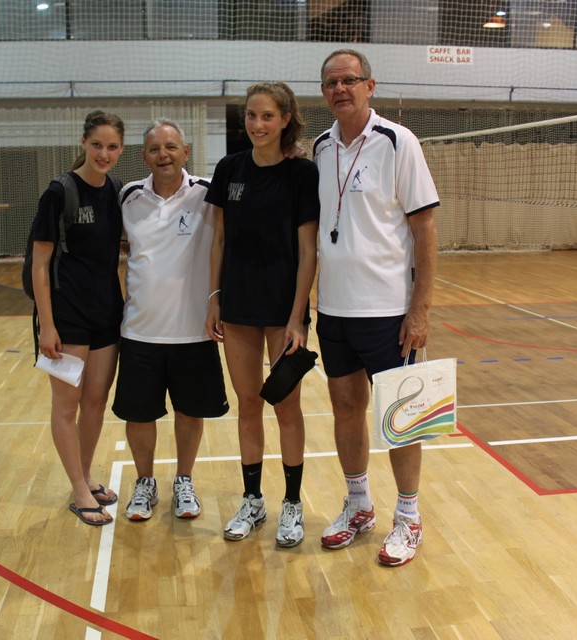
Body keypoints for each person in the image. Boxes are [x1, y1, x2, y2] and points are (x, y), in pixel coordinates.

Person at [312, 49, 440, 566]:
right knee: (346, 407)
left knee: (403, 418)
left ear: (370, 85)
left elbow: (424, 228)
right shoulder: (321, 147)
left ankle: (408, 516)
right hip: (334, 309)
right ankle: (359, 503)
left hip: (389, 310)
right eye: (331, 82)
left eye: (349, 80)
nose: (340, 89)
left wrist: (420, 309)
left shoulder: (398, 141)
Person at [205, 82, 319, 548]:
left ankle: (292, 503)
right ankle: (252, 500)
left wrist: (297, 317)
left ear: (286, 119)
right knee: (248, 402)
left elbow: (308, 251)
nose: (257, 124)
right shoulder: (228, 169)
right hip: (238, 305)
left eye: (267, 115)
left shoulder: (302, 174)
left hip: (283, 309)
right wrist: (215, 297)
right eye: (251, 115)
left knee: (285, 405)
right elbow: (219, 239)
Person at [112, 120, 230, 522]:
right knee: (139, 415)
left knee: (190, 411)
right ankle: (144, 482)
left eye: (171, 147)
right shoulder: (128, 197)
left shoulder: (209, 192)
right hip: (139, 330)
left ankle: (184, 480)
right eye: (155, 149)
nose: (163, 154)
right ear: (144, 156)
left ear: (186, 152)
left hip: (193, 330)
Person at [31, 110, 125, 526]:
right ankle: (78, 489)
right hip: (67, 316)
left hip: (107, 312)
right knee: (67, 405)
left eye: (112, 147)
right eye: (97, 145)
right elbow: (40, 264)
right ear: (84, 142)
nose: (104, 153)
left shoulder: (117, 190)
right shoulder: (59, 192)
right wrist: (47, 325)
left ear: (120, 150)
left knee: (96, 402)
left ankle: (85, 476)